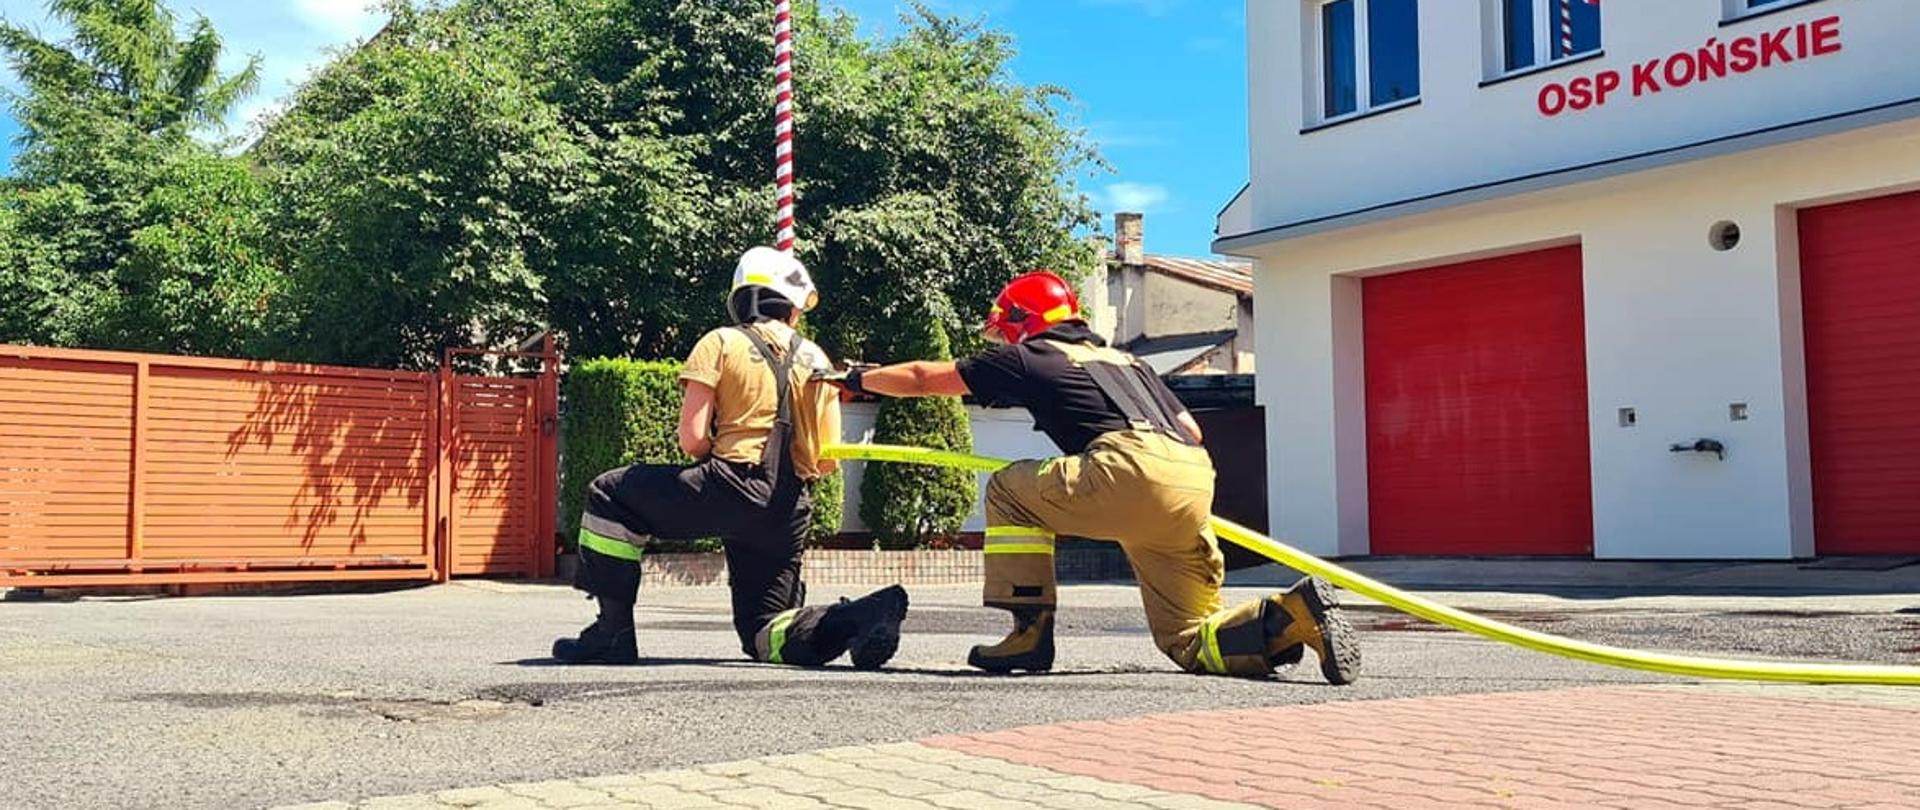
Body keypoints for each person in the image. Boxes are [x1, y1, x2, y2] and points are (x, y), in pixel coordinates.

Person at [829, 271, 1358, 683]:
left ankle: (1027, 634)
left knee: (1011, 489)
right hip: (1192, 476)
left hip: (1126, 469)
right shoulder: (1128, 362)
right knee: (1188, 639)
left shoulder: (1028, 356)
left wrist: (854, 378)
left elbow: (925, 378)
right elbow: (1192, 429)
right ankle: (1295, 613)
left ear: (1018, 319)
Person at [553, 247, 909, 670]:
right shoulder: (817, 359)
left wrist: (715, 481)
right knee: (765, 632)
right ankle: (858, 617)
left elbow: (692, 437)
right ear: (792, 309)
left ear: (744, 297)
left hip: (729, 482)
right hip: (790, 503)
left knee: (609, 493)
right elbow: (826, 459)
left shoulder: (721, 342)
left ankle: (611, 634)